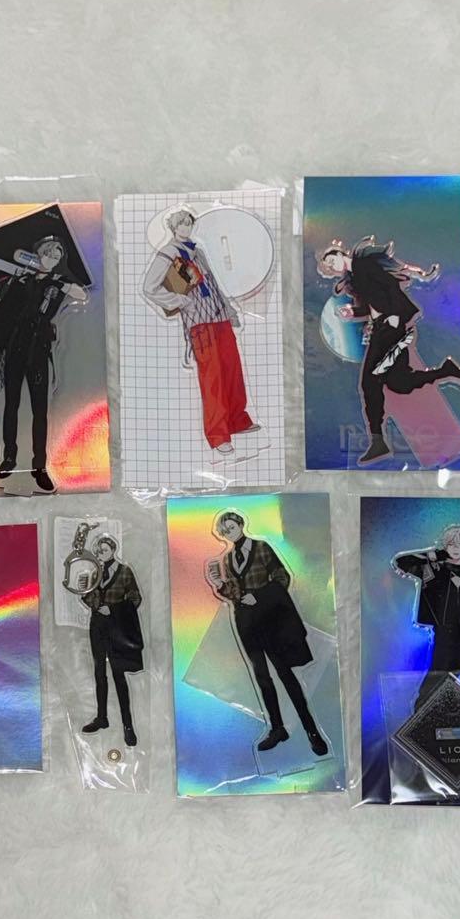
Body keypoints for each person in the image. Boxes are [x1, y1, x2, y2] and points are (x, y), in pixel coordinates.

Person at [317, 237, 460, 465]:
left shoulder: (365, 264)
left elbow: (390, 285)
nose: (332, 267)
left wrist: (396, 314)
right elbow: (368, 307)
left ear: (340, 253)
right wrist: (353, 312)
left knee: (370, 382)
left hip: (393, 325)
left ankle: (378, 442)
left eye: (331, 261)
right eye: (329, 268)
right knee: (399, 383)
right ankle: (445, 371)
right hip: (381, 327)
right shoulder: (353, 280)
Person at [0, 236, 87, 495]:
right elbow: (5, 308)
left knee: (40, 408)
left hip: (39, 347)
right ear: (39, 254)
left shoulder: (59, 282)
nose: (51, 259)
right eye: (48, 254)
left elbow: (80, 293)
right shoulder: (22, 278)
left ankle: (39, 466)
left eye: (56, 256)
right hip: (16, 345)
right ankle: (8, 457)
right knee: (11, 404)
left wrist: (61, 283)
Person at [205, 512, 328, 756]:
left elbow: (282, 577)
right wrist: (218, 584)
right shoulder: (228, 559)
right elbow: (235, 592)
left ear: (241, 524)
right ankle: (277, 729)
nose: (228, 533)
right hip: (245, 621)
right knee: (262, 676)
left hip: (269, 619)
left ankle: (312, 731)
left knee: (285, 673)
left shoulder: (261, 547)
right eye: (224, 530)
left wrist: (259, 596)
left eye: (231, 527)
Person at [142, 207, 255, 454]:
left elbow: (212, 283)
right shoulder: (167, 253)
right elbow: (149, 287)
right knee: (212, 378)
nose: (186, 228)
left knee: (232, 370)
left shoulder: (197, 251)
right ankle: (218, 435)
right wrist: (178, 301)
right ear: (173, 227)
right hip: (199, 322)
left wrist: (230, 310)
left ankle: (237, 420)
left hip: (219, 316)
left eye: (189, 223)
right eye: (182, 224)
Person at [392, 525, 460, 710]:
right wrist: (435, 554)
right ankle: (423, 720)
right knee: (434, 687)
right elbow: (401, 562)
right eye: (452, 544)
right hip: (445, 637)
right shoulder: (432, 570)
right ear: (445, 545)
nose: (456, 549)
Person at [78, 536, 144, 747]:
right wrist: (87, 595)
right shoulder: (95, 573)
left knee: (118, 674)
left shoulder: (124, 571)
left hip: (117, 627)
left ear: (113, 550)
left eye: (104, 550)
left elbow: (135, 598)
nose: (101, 553)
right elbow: (90, 598)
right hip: (97, 626)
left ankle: (128, 725)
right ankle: (102, 717)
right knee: (99, 671)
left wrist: (113, 610)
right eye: (99, 551)